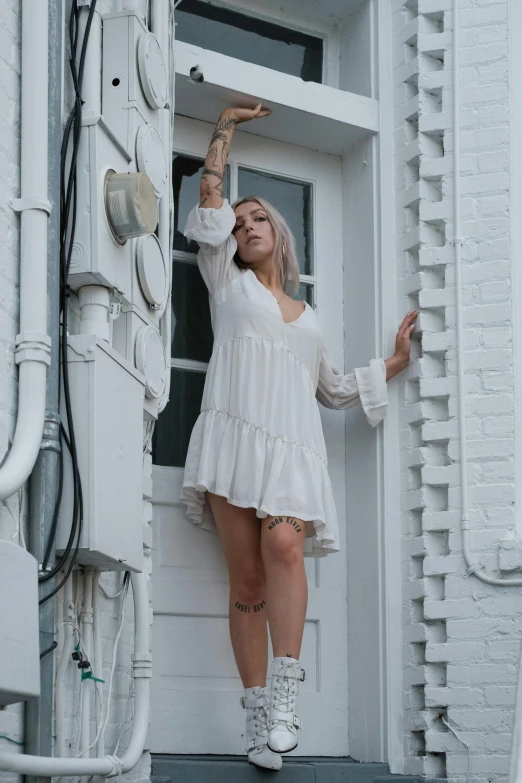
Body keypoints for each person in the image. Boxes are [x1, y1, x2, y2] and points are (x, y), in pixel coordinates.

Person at [179, 105, 418, 771]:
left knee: (285, 544)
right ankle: (257, 718)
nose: (247, 225)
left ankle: (286, 701)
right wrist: (224, 127)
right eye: (240, 220)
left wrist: (393, 363)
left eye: (259, 219)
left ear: (278, 234)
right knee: (246, 580)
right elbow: (208, 200)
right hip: (233, 437)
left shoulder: (308, 316)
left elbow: (334, 388)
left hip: (291, 446)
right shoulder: (225, 279)